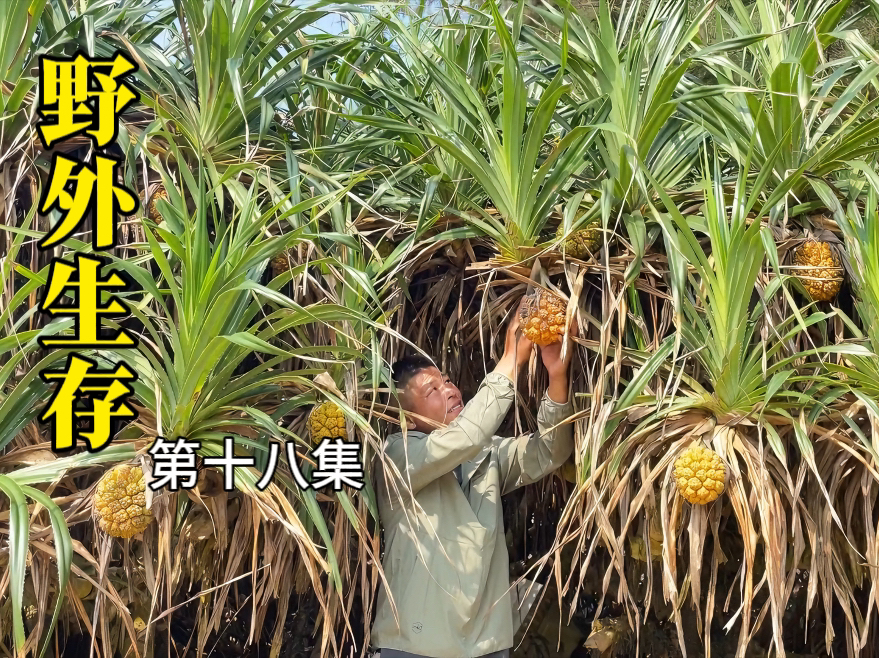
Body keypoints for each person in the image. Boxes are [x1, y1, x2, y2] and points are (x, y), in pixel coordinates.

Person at [371, 295, 576, 658]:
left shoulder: (487, 454)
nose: (449, 389)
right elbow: (466, 436)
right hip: (414, 647)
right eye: (431, 390)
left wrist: (557, 377)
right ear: (407, 418)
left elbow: (549, 452)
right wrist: (512, 359)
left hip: (486, 647)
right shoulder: (396, 456)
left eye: (447, 381)